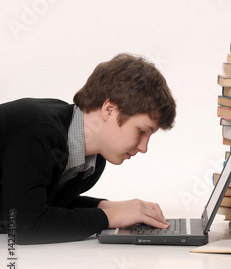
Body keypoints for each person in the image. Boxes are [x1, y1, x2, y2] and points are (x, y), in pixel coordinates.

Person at [0, 53, 176, 244]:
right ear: (109, 110)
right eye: (141, 131)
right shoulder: (40, 130)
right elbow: (25, 226)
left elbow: (41, 203)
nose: (144, 147)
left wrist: (108, 206)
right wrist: (109, 217)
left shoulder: (93, 162)